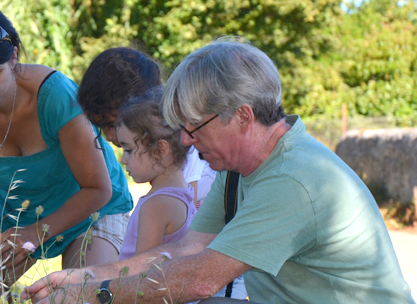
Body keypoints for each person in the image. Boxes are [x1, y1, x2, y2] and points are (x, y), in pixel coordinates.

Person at [22, 38, 416, 303]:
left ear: (242, 117)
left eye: (194, 127)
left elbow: (200, 278)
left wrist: (98, 294)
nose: (187, 142)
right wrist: (87, 277)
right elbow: (187, 248)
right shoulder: (239, 166)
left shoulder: (292, 180)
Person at [0, 5, 133, 302]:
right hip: (13, 216)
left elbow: (98, 189)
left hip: (90, 209)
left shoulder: (55, 95)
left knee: (76, 295)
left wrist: (33, 234)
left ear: (13, 56)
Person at [78, 47, 215, 206]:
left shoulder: (180, 143)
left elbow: (187, 215)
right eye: (100, 127)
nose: (109, 136)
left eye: (111, 125)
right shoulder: (159, 148)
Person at [113, 87, 197, 261]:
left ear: (160, 150)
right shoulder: (184, 193)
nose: (123, 160)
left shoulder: (156, 206)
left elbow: (140, 275)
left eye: (128, 150)